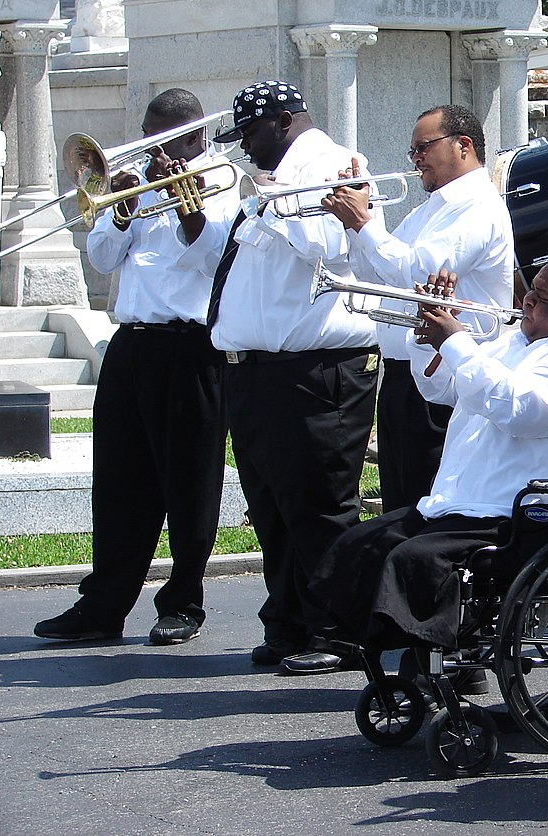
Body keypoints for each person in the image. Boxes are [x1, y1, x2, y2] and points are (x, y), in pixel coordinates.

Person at [308, 248, 548, 654]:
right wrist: (430, 336)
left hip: (525, 514)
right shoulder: (516, 342)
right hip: (466, 504)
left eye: (543, 300)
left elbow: (519, 409)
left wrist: (456, 340)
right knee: (362, 546)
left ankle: (437, 663)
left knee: (413, 561)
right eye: (532, 291)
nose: (527, 301)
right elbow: (439, 388)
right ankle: (385, 656)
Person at [34, 89, 237, 646]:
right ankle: (103, 604)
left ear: (195, 136)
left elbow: (213, 255)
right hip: (130, 344)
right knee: (120, 479)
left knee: (189, 482)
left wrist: (180, 198)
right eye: (150, 134)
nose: (154, 149)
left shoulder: (222, 180)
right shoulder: (130, 179)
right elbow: (101, 259)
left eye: (167, 138)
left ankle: (183, 602)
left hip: (191, 346)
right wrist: (122, 211)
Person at [204, 80, 380, 675]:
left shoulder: (335, 166)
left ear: (281, 122)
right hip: (260, 372)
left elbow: (331, 244)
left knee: (319, 506)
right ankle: (290, 620)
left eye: (250, 134)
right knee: (272, 508)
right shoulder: (276, 180)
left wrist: (276, 198)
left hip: (316, 370)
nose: (245, 149)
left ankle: (339, 632)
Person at [320, 104, 514, 515]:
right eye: (413, 152)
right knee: (400, 502)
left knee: (427, 507)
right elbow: (371, 271)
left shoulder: (479, 205)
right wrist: (357, 218)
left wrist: (362, 223)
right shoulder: (430, 208)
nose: (416, 159)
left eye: (423, 147)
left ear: (463, 145)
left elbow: (418, 273)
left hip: (443, 380)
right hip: (404, 378)